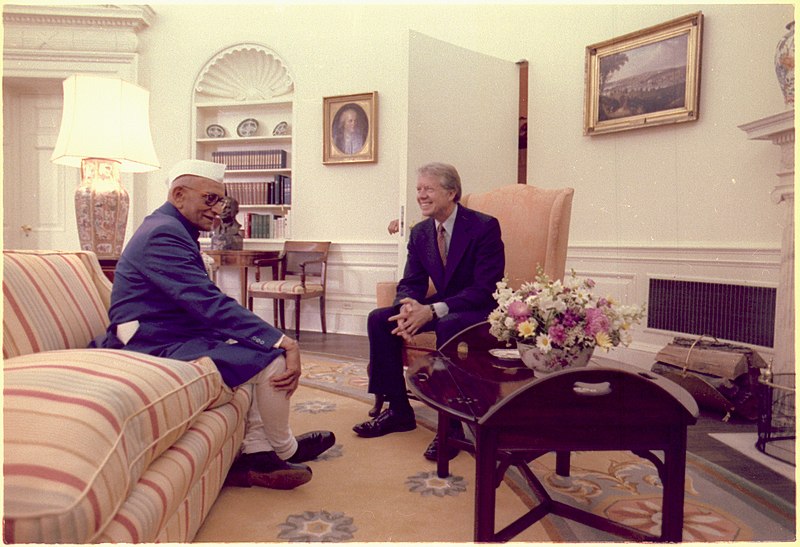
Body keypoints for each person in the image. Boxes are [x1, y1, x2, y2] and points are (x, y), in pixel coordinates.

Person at [93, 159, 335, 490]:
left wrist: (261, 338)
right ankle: (284, 449)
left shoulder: (172, 226)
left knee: (257, 349)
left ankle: (260, 453)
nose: (218, 210)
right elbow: (207, 303)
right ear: (179, 194)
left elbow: (200, 302)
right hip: (148, 343)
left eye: (220, 201)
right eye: (210, 199)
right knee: (274, 361)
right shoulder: (164, 233)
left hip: (171, 333)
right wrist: (283, 340)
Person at [353, 162, 505, 461]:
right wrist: (407, 307)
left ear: (451, 193)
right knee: (380, 320)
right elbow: (411, 281)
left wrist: (433, 310)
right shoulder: (421, 232)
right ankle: (398, 411)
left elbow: (486, 287)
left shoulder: (484, 226)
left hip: (478, 310)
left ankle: (452, 428)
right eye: (419, 189)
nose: (421, 195)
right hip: (444, 307)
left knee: (448, 325)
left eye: (429, 189)